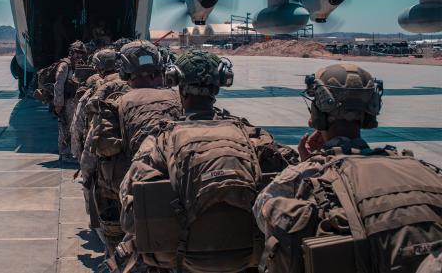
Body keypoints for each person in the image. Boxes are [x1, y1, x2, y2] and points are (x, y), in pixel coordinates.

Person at [113, 50, 297, 273]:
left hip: (182, 261)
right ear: (218, 87)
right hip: (247, 258)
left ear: (178, 86)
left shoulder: (159, 141)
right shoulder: (253, 137)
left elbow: (129, 220)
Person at [254, 63, 442, 273]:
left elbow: (261, 212)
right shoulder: (424, 170)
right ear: (371, 109)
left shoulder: (305, 174)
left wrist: (305, 165)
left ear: (319, 110)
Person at [88, 40, 182, 258]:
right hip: (182, 185)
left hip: (136, 191)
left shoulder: (117, 102)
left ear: (125, 71)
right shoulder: (180, 99)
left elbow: (103, 148)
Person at [54, 40, 87, 161]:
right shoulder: (65, 65)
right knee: (65, 127)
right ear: (72, 52)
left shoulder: (80, 65)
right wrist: (58, 104)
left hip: (75, 101)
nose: (79, 55)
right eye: (77, 52)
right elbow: (58, 85)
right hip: (66, 101)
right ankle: (64, 153)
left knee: (75, 127)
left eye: (81, 53)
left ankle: (72, 152)